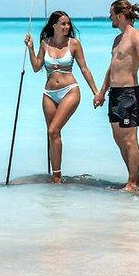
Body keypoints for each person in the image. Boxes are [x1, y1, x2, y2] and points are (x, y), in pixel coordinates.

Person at [25, 10, 98, 184]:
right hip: (49, 94)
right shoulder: (45, 43)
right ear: (54, 26)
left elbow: (84, 69)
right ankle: (56, 175)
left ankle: (57, 177)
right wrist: (31, 49)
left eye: (68, 24)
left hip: (70, 90)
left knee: (53, 129)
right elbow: (36, 67)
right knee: (52, 134)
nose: (67, 27)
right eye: (63, 24)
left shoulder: (74, 44)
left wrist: (96, 92)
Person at [93, 0, 139, 192]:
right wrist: (101, 92)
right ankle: (134, 178)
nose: (110, 18)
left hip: (129, 93)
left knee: (130, 139)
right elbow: (112, 68)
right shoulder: (117, 39)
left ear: (120, 16)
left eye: (111, 14)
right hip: (114, 93)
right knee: (118, 139)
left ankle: (133, 182)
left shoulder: (136, 36)